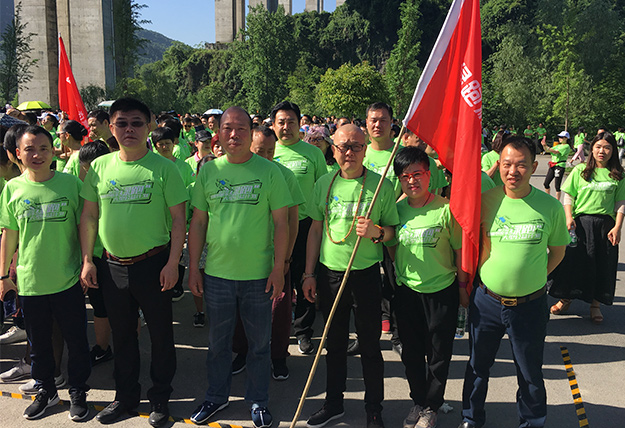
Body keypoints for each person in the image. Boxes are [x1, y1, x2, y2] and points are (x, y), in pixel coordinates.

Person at [80, 97, 188, 427]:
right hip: (112, 266)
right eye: (122, 123)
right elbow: (89, 216)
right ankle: (125, 398)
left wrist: (173, 263)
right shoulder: (100, 167)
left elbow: (179, 219)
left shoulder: (165, 168)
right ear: (111, 128)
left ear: (149, 125)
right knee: (123, 336)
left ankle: (160, 398)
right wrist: (87, 260)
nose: (130, 129)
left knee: (160, 336)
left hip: (154, 265)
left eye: (137, 123)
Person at [187, 106, 290, 428]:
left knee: (259, 346)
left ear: (251, 131)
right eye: (228, 128)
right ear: (218, 133)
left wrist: (279, 267)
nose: (234, 135)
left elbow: (282, 223)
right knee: (218, 345)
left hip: (259, 276)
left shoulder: (270, 172)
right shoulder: (209, 171)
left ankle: (258, 401)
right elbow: (198, 222)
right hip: (217, 275)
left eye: (241, 128)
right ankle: (216, 397)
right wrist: (193, 268)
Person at [459, 137, 569, 428]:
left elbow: (558, 252)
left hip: (529, 305)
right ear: (499, 165)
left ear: (534, 167)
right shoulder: (486, 202)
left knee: (529, 370)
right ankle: (471, 418)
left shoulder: (550, 207)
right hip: (487, 302)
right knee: (477, 366)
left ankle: (532, 420)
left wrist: (534, 276)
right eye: (507, 164)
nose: (513, 171)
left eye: (521, 165)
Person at [302, 125, 399, 428]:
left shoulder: (381, 186)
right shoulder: (324, 183)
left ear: (365, 149)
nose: (350, 152)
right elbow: (315, 229)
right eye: (343, 146)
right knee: (334, 344)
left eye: (356, 146)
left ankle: (374, 408)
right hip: (330, 275)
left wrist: (377, 232)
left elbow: (393, 233)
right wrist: (308, 273)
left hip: (366, 276)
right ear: (333, 150)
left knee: (370, 346)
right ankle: (334, 403)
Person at [0, 126, 91, 421]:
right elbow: (9, 234)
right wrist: (3, 276)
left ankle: (78, 391)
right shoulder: (12, 189)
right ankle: (46, 392)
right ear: (18, 154)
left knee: (76, 341)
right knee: (38, 345)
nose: (37, 155)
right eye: (29, 149)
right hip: (31, 282)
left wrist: (87, 262)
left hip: (68, 279)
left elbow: (84, 226)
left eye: (43, 148)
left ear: (54, 152)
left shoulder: (71, 185)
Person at [388, 147, 468, 428]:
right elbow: (392, 248)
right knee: (411, 354)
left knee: (438, 355)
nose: (412, 181)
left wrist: (462, 287)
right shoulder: (396, 212)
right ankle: (418, 401)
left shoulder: (446, 209)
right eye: (405, 176)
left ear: (429, 175)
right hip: (407, 292)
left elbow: (459, 251)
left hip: (441, 291)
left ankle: (432, 406)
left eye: (417, 174)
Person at [231, 124, 305, 381]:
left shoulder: (284, 175)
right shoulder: (237, 173)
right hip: (244, 255)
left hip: (276, 255)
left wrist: (286, 258)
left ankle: (278, 356)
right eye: (260, 151)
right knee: (242, 309)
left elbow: (292, 220)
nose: (265, 157)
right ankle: (243, 352)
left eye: (270, 152)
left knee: (279, 310)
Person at [548, 132, 625, 324]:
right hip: (580, 225)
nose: (602, 151)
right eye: (598, 147)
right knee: (572, 262)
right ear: (592, 149)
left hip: (605, 227)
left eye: (607, 147)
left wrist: (618, 227)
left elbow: (620, 203)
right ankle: (565, 299)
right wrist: (568, 217)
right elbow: (569, 196)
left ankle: (595, 305)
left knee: (602, 265)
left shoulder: (618, 174)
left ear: (613, 150)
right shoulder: (581, 170)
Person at [271, 100, 327, 355]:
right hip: (274, 227)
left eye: (291, 122)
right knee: (277, 280)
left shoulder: (313, 154)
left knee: (306, 277)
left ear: (300, 124)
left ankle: (303, 331)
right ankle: (275, 331)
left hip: (305, 226)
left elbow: (322, 189)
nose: (286, 127)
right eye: (281, 122)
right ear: (273, 125)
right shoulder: (267, 151)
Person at [542, 131, 572, 201]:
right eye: (559, 137)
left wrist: (546, 146)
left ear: (566, 138)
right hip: (552, 165)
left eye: (561, 137)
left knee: (557, 186)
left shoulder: (566, 146)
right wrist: (544, 145)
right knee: (546, 183)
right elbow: (548, 150)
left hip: (559, 166)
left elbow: (555, 152)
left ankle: (557, 201)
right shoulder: (558, 146)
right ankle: (548, 198)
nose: (559, 138)